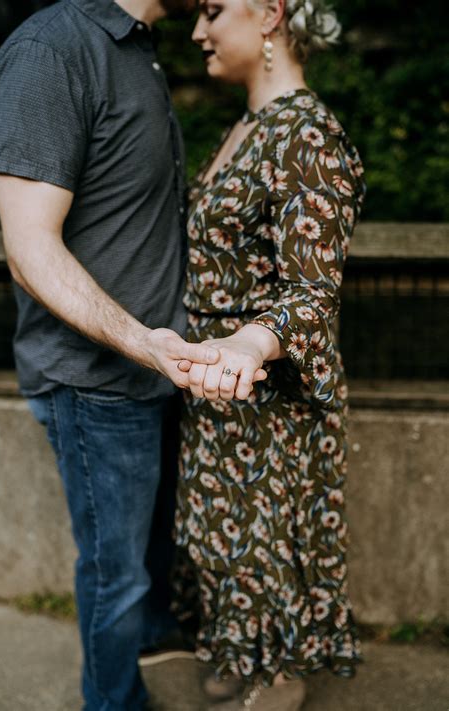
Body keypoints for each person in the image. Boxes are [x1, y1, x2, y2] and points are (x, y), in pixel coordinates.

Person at [0, 0, 255, 708]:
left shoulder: (138, 47)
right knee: (117, 577)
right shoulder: (49, 52)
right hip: (95, 384)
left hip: (157, 371)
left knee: (147, 572)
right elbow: (29, 248)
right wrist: (143, 343)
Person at [173, 0, 366, 708]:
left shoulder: (306, 133)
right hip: (218, 386)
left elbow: (312, 292)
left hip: (268, 394)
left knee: (266, 547)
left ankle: (279, 676)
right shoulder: (252, 125)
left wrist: (249, 341)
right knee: (221, 543)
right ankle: (238, 649)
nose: (198, 31)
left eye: (213, 9)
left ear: (271, 13)